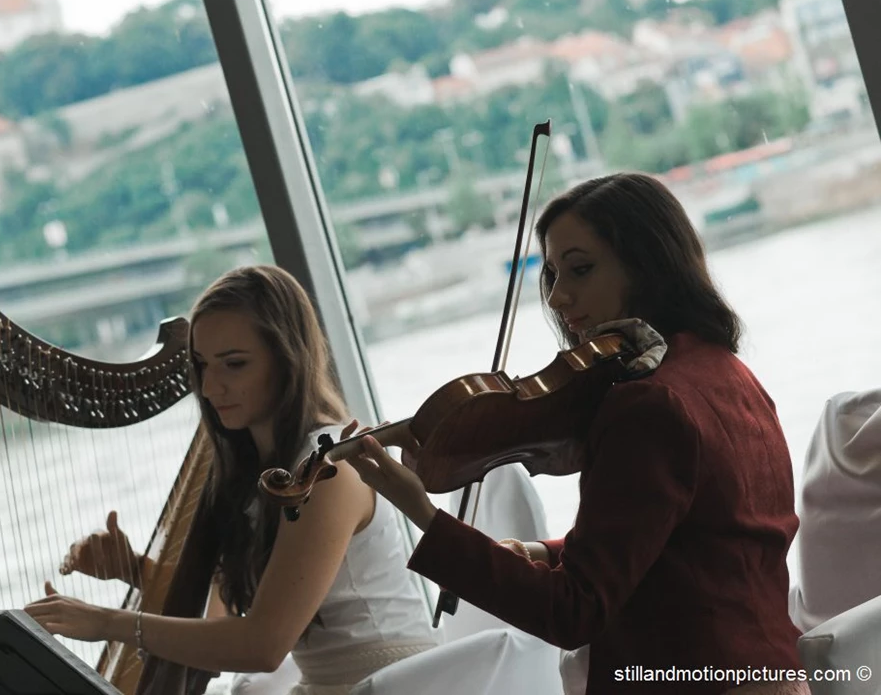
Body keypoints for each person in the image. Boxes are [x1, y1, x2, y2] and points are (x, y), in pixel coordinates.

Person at [344, 173, 811, 695]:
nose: (560, 297)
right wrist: (546, 552)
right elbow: (683, 540)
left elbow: (574, 611)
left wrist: (423, 515)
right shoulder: (724, 369)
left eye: (581, 270)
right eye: (551, 274)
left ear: (646, 263)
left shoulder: (648, 404)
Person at [25, 264, 436, 694]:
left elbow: (263, 644)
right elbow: (220, 621)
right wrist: (136, 571)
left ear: (287, 360)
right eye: (202, 365)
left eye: (234, 364)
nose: (209, 387)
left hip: (391, 685)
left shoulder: (331, 468)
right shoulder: (249, 474)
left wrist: (106, 622)